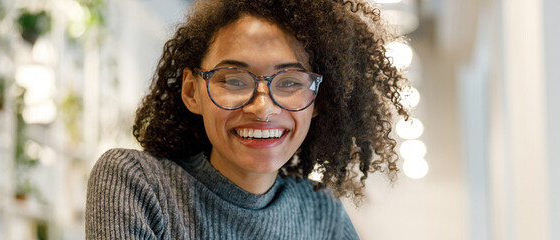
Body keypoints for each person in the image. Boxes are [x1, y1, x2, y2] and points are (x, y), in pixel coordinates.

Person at [85, 0, 409, 239]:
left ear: (317, 101)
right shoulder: (139, 184)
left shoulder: (322, 214)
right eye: (234, 80)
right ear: (191, 91)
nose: (263, 108)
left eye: (290, 82)